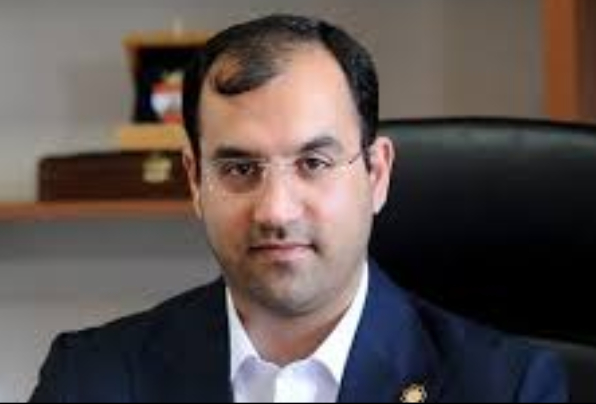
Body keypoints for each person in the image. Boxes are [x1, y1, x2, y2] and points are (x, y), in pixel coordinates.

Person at [30, 14, 568, 403]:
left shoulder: (507, 387)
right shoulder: (90, 380)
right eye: (239, 168)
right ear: (194, 180)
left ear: (376, 174)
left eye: (313, 162)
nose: (276, 211)